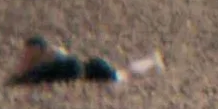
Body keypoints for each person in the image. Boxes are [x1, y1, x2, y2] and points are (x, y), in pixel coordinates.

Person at [8, 36, 163, 86]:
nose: (26, 56)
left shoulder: (53, 55)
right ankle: (150, 60)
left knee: (124, 74)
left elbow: (21, 74)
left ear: (38, 49)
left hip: (95, 69)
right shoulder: (39, 60)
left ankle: (150, 61)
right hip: (91, 68)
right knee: (125, 72)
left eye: (29, 52)